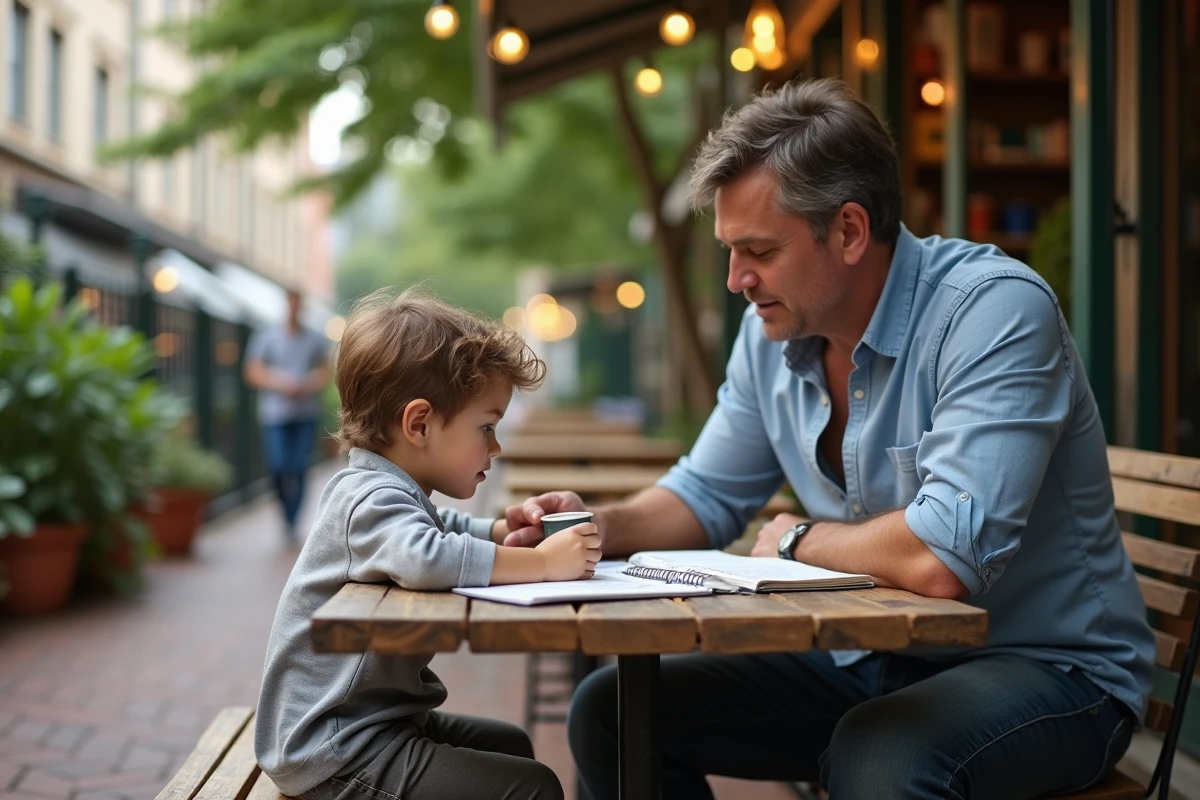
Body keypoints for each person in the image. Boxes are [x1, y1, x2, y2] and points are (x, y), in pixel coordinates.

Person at [501, 78, 1155, 799]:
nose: (735, 280)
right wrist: (595, 527)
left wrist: (794, 540)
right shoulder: (769, 334)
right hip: (875, 661)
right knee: (617, 713)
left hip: (1051, 673)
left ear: (848, 230)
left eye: (758, 250)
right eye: (729, 250)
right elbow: (707, 494)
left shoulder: (992, 313)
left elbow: (943, 556)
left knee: (881, 755)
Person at [254, 288, 601, 800]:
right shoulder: (368, 499)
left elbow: (442, 530)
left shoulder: (386, 491)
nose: (495, 446)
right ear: (419, 424)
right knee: (533, 788)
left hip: (373, 725)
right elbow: (427, 556)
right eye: (486, 426)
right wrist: (543, 563)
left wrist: (503, 532)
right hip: (332, 748)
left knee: (511, 747)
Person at [244, 289, 330, 539]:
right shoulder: (267, 336)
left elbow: (325, 371)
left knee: (301, 467)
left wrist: (308, 384)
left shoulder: (314, 338)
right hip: (275, 415)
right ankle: (285, 513)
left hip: (305, 414)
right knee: (278, 465)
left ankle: (292, 521)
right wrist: (280, 383)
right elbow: (252, 372)